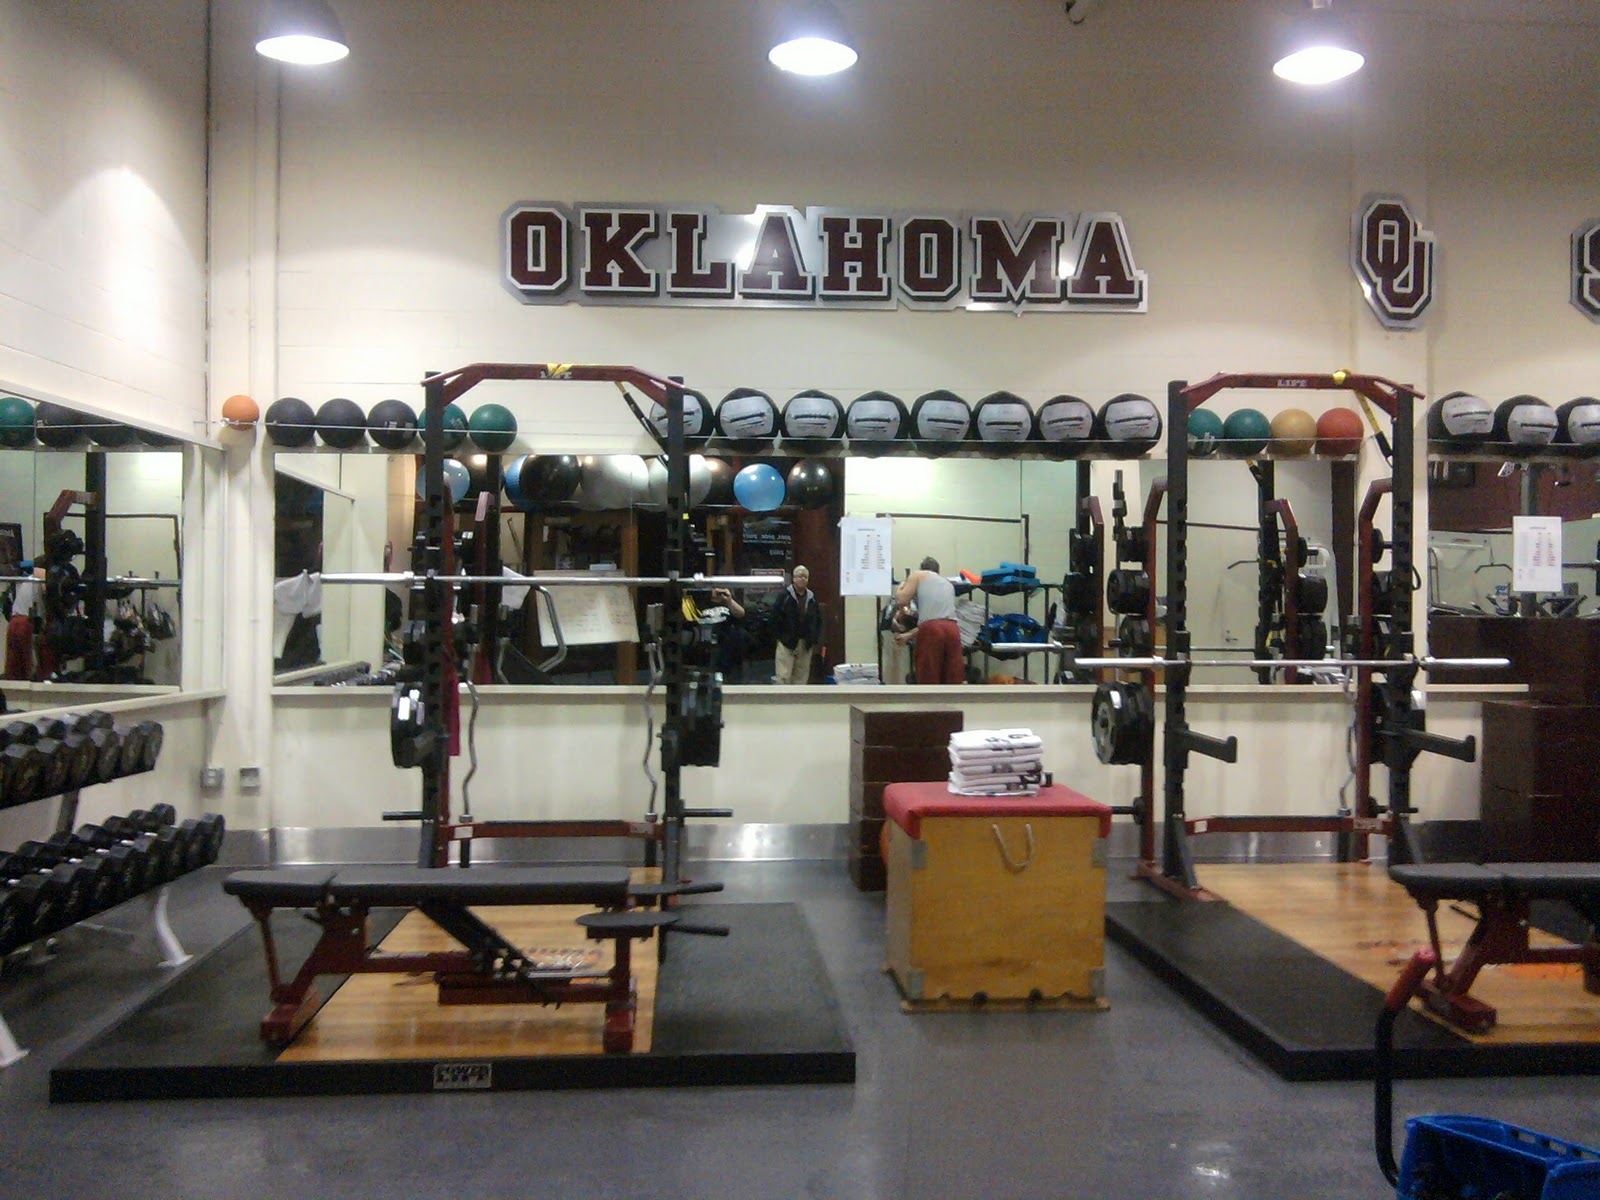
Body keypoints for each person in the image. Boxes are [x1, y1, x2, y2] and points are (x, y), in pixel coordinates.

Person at [895, 556, 963, 684]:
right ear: (938, 571)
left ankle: (928, 705)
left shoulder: (918, 575)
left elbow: (902, 600)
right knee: (952, 679)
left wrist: (900, 588)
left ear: (922, 568)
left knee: (928, 677)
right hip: (953, 630)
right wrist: (908, 635)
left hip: (931, 630)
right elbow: (938, 619)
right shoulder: (947, 584)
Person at [769, 564, 821, 685]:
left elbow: (817, 620)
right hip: (786, 642)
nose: (803, 579)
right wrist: (780, 637)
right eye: (800, 576)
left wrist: (813, 638)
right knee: (783, 677)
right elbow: (775, 618)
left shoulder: (812, 598)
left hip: (805, 643)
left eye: (805, 577)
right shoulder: (784, 596)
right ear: (793, 578)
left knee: (802, 678)